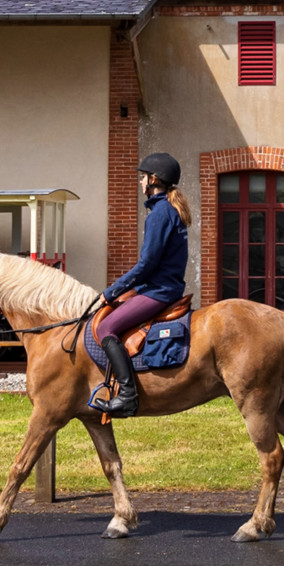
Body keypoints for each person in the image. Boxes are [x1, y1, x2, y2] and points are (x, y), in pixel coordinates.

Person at [90, 152, 192, 417]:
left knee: (106, 327)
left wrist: (111, 292)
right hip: (162, 287)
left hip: (159, 291)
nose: (140, 182)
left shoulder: (160, 213)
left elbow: (146, 265)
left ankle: (127, 396)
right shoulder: (170, 210)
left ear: (153, 180)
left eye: (143, 177)